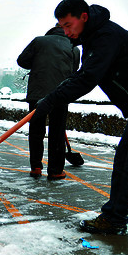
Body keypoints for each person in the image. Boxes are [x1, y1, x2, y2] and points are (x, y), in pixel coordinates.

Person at [33, 0, 128, 234]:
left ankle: (114, 218)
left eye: (69, 25)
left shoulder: (105, 36)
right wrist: (53, 97)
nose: (66, 32)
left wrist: (51, 100)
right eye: (62, 27)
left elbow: (88, 78)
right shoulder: (92, 37)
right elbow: (84, 75)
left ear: (84, 17)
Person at [17, 25, 80, 180]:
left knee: (36, 131)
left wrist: (38, 62)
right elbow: (74, 70)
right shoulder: (74, 48)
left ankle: (36, 167)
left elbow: (22, 60)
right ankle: (55, 170)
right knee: (57, 132)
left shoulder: (39, 41)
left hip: (37, 93)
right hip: (60, 93)